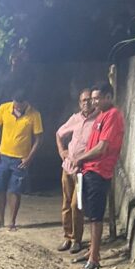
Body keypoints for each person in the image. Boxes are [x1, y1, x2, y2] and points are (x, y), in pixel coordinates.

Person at [72, 82, 126, 269]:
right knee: (89, 212)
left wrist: (80, 158)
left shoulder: (113, 116)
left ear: (108, 97)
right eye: (93, 98)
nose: (94, 102)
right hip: (89, 170)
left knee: (96, 217)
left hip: (99, 171)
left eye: (97, 98)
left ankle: (94, 258)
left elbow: (102, 148)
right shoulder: (100, 116)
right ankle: (91, 251)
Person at [0, 89, 43, 230]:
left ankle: (12, 222)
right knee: (0, 189)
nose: (17, 107)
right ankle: (0, 219)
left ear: (26, 102)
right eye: (15, 104)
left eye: (20, 105)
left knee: (15, 191)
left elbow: (38, 139)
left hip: (20, 160)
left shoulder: (34, 114)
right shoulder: (4, 108)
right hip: (2, 157)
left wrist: (29, 158)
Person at [55, 88, 94, 253]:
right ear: (79, 103)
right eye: (84, 100)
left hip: (82, 171)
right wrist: (62, 151)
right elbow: (59, 134)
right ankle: (68, 237)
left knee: (76, 204)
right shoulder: (75, 119)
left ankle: (77, 239)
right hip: (68, 168)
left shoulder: (98, 120)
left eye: (89, 100)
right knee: (66, 204)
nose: (87, 103)